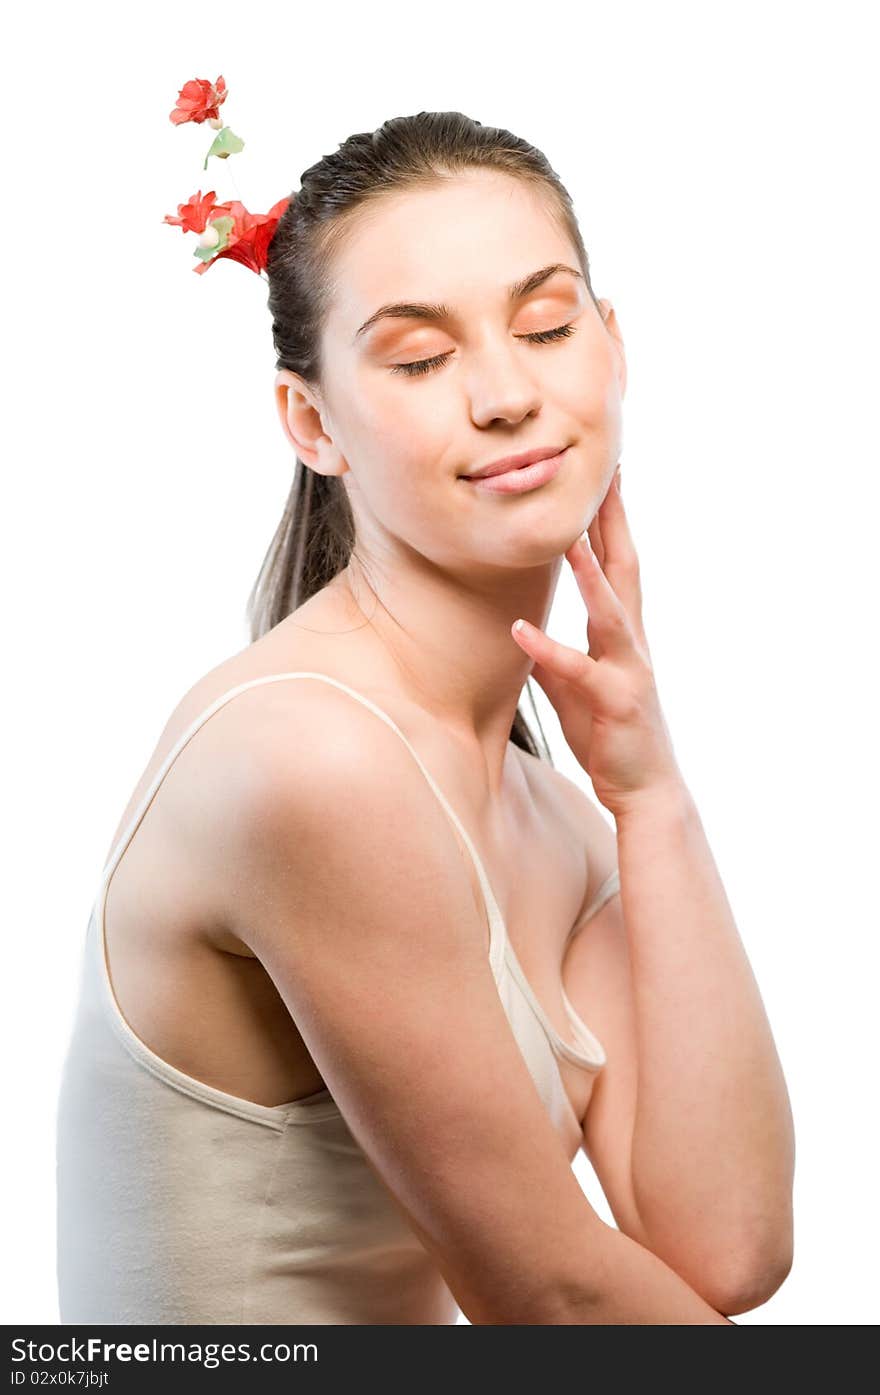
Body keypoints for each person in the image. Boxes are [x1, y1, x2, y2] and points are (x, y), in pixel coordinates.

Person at [55, 110, 793, 1325]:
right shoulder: (313, 758)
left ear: (612, 347)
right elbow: (551, 1301)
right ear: (312, 424)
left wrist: (651, 799)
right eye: (416, 358)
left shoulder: (554, 812)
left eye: (547, 326)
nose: (507, 394)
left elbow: (726, 1251)